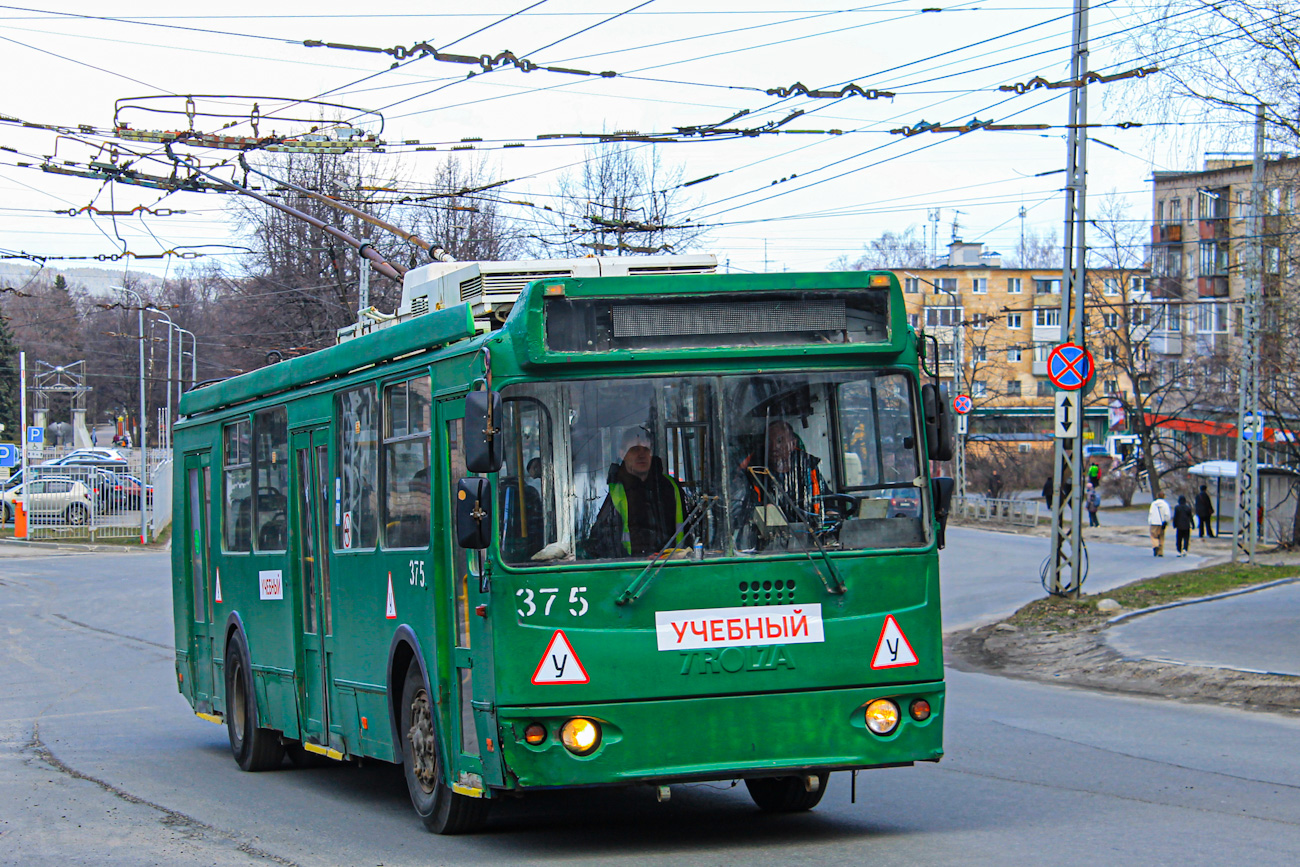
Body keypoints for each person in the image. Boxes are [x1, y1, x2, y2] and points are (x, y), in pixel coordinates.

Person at [588, 427, 685, 558]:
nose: (641, 455)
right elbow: (603, 544)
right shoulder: (612, 491)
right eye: (634, 449)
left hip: (673, 565)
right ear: (622, 454)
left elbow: (687, 532)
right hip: (629, 567)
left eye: (646, 449)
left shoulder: (671, 487)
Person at [739, 420, 825, 524]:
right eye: (769, 442)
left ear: (793, 444)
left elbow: (827, 502)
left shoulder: (808, 469)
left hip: (809, 531)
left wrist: (831, 512)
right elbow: (744, 512)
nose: (774, 447)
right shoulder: (752, 474)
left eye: (779, 441)